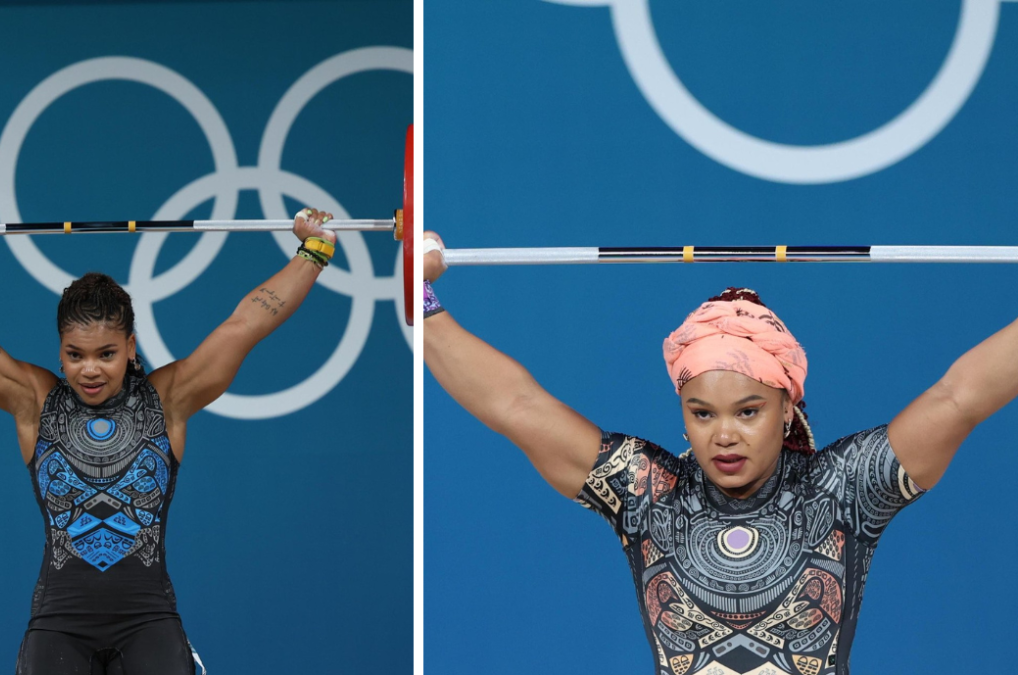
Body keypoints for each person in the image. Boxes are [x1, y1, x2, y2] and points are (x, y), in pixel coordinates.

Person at [422, 231, 1016, 675]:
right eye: (701, 413)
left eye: (748, 411)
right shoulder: (644, 490)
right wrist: (421, 298)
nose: (723, 435)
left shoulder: (845, 487)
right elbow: (516, 406)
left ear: (788, 407)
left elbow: (959, 397)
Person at [0, 211, 339, 675]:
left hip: (147, 622)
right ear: (60, 352)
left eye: (106, 354)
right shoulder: (35, 401)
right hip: (59, 626)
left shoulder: (168, 400)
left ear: (131, 347)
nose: (89, 369)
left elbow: (245, 325)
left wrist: (312, 251)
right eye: (75, 355)